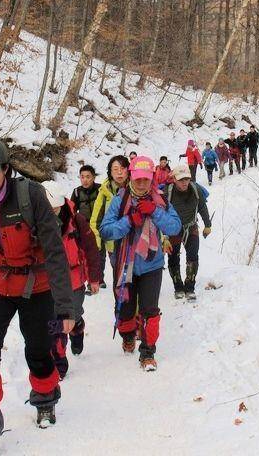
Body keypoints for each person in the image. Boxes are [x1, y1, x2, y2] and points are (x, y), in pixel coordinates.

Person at [0, 138, 75, 455]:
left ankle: (46, 399)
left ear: (5, 170)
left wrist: (65, 307)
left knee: (38, 349)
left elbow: (55, 253)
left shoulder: (30, 196)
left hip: (37, 286)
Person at [99, 156, 181, 371]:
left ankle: (147, 352)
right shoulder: (121, 200)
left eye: (146, 179)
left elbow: (174, 227)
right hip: (125, 265)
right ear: (131, 177)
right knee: (126, 311)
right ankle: (127, 336)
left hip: (152, 265)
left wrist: (154, 212)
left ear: (152, 178)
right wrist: (129, 221)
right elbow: (106, 230)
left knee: (150, 310)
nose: (142, 183)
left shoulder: (160, 200)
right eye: (138, 179)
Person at [42, 181, 102, 379]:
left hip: (74, 281)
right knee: (55, 325)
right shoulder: (35, 221)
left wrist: (94, 278)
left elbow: (91, 250)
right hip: (48, 282)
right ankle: (59, 362)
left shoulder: (77, 221)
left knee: (72, 318)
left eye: (56, 209)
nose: (52, 213)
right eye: (48, 209)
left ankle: (78, 329)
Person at [164, 165, 211, 301]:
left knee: (193, 256)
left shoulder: (195, 190)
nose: (184, 182)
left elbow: (202, 207)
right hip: (173, 229)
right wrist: (163, 235)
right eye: (181, 179)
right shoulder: (168, 192)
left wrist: (208, 225)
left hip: (191, 227)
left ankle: (190, 287)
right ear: (174, 179)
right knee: (173, 257)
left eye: (187, 179)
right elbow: (161, 213)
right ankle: (178, 287)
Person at [90, 156, 130, 286]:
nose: (119, 172)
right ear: (110, 172)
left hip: (133, 242)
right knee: (119, 277)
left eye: (123, 168)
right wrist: (96, 244)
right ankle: (123, 303)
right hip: (113, 244)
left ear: (129, 170)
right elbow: (95, 221)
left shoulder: (137, 187)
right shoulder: (104, 192)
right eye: (115, 169)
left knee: (131, 278)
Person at [71, 165, 104, 291]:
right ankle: (92, 279)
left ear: (93, 177)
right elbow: (72, 211)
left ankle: (99, 278)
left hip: (100, 224)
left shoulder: (101, 189)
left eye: (88, 177)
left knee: (100, 253)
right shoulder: (76, 192)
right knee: (87, 253)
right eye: (82, 177)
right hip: (84, 227)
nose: (85, 180)